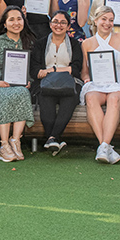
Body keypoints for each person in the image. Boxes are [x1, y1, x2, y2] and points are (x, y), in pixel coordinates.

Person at [80, 5, 120, 164]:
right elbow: (84, 71)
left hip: (119, 82)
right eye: (103, 19)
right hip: (98, 82)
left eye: (111, 20)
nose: (107, 23)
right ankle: (104, 146)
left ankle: (104, 146)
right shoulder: (87, 43)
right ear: (95, 20)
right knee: (90, 97)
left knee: (113, 99)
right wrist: (86, 78)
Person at [0, 6, 36, 162]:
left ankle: (15, 140)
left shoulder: (28, 42)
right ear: (4, 24)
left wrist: (28, 81)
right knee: (7, 97)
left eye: (19, 19)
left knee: (23, 93)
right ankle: (4, 145)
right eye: (11, 19)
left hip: (18, 85)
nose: (16, 22)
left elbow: (31, 68)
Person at [30, 11, 83, 155]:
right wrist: (44, 73)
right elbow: (34, 69)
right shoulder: (40, 43)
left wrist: (52, 70)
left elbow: (77, 68)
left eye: (62, 22)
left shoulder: (74, 44)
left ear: (68, 26)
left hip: (69, 83)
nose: (58, 25)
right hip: (45, 83)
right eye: (55, 21)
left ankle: (51, 138)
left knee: (70, 98)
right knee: (46, 98)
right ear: (50, 24)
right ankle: (54, 138)